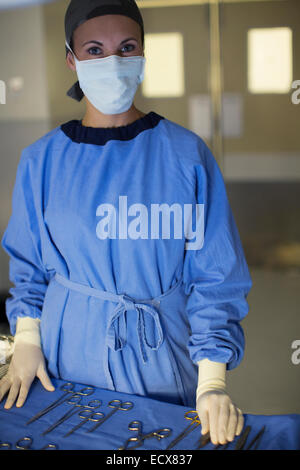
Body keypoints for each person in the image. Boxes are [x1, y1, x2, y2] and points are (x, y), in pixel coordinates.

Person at [0, 0, 252, 446]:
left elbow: (216, 277)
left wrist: (212, 381)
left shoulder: (185, 155)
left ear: (142, 55)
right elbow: (29, 266)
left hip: (163, 359)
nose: (112, 62)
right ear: (71, 59)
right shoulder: (41, 161)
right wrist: (25, 339)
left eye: (126, 47)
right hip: (64, 357)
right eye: (94, 50)